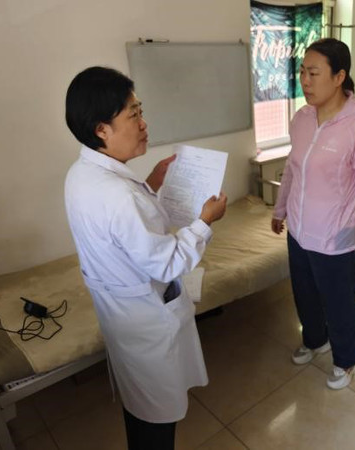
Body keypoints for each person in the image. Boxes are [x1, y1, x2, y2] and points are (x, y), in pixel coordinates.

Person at [64, 66, 227, 450]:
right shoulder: (118, 194)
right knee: (155, 420)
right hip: (146, 324)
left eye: (141, 111)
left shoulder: (81, 174)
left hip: (122, 316)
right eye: (133, 115)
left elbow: (124, 231)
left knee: (140, 407)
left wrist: (151, 182)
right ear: (102, 130)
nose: (143, 123)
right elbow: (168, 262)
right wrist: (205, 221)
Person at [271, 38, 355, 390]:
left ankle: (347, 359)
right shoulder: (302, 119)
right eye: (302, 72)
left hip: (335, 235)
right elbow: (292, 169)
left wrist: (352, 212)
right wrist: (281, 208)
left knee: (339, 301)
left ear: (339, 77)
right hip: (299, 229)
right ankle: (315, 340)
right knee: (304, 292)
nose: (304, 81)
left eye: (313, 73)